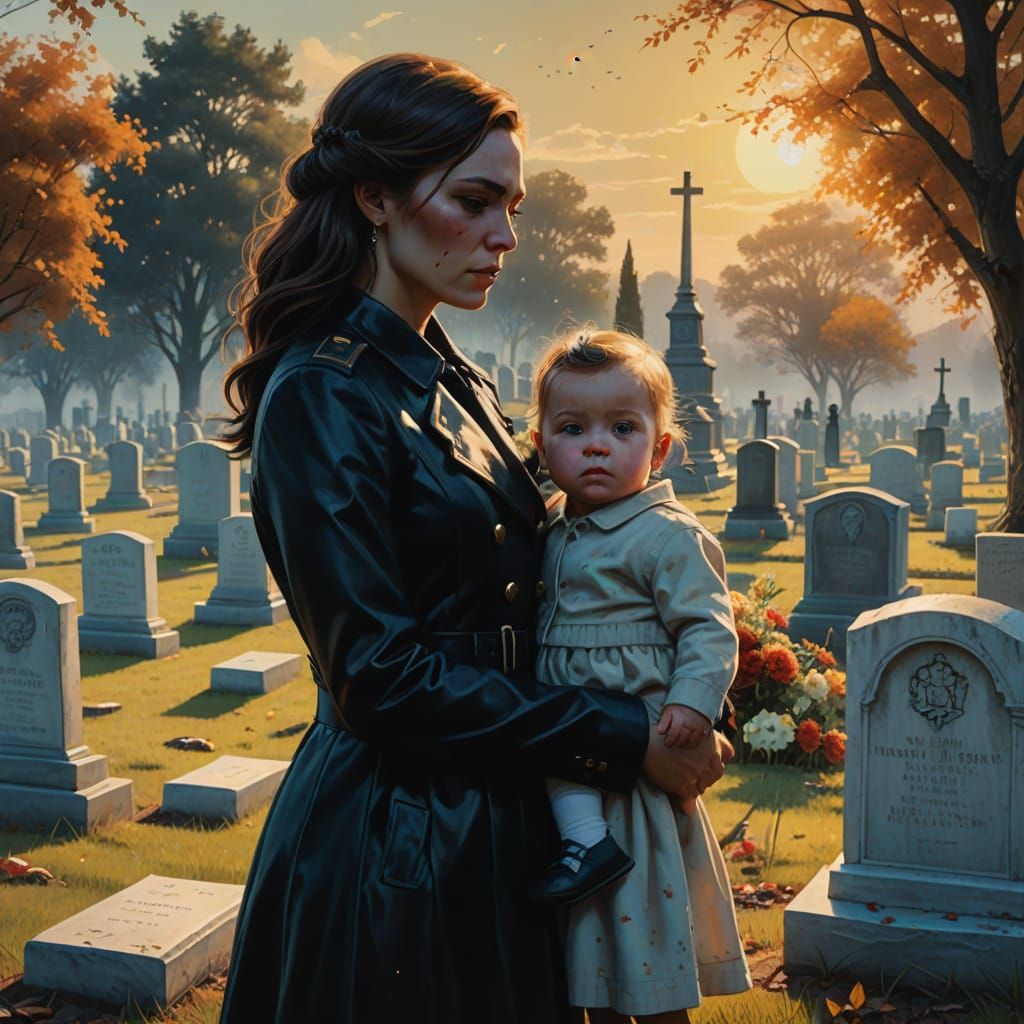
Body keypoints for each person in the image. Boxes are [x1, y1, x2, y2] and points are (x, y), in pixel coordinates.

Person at [217, 53, 731, 1024]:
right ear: (375, 197)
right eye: (474, 201)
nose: (505, 235)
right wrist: (622, 736)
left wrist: (677, 688)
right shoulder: (326, 393)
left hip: (511, 814)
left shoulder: (458, 379)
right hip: (399, 844)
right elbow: (379, 676)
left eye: (512, 206)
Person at [527, 330, 752, 1022]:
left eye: (622, 429)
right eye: (573, 429)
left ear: (659, 449)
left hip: (635, 768)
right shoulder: (550, 529)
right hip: (567, 751)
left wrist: (695, 703)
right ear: (541, 445)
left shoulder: (667, 534)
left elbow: (707, 627)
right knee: (589, 956)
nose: (597, 446)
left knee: (643, 942)